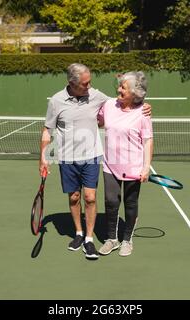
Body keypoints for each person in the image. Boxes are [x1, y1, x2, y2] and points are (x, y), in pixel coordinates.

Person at [39, 63, 151, 260]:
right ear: (72, 84)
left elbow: (125, 102)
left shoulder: (97, 96)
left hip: (92, 157)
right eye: (85, 83)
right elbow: (48, 129)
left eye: (90, 81)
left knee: (91, 197)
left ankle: (91, 238)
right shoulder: (56, 101)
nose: (90, 86)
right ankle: (80, 234)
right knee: (75, 197)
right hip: (67, 158)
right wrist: (44, 157)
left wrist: (143, 105)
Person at [97, 71, 153, 257]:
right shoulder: (109, 105)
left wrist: (146, 167)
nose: (118, 89)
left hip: (133, 166)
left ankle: (127, 240)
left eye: (123, 87)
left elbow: (148, 141)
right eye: (119, 85)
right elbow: (98, 121)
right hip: (110, 164)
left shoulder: (143, 113)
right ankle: (111, 239)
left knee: (130, 203)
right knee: (111, 202)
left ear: (135, 93)